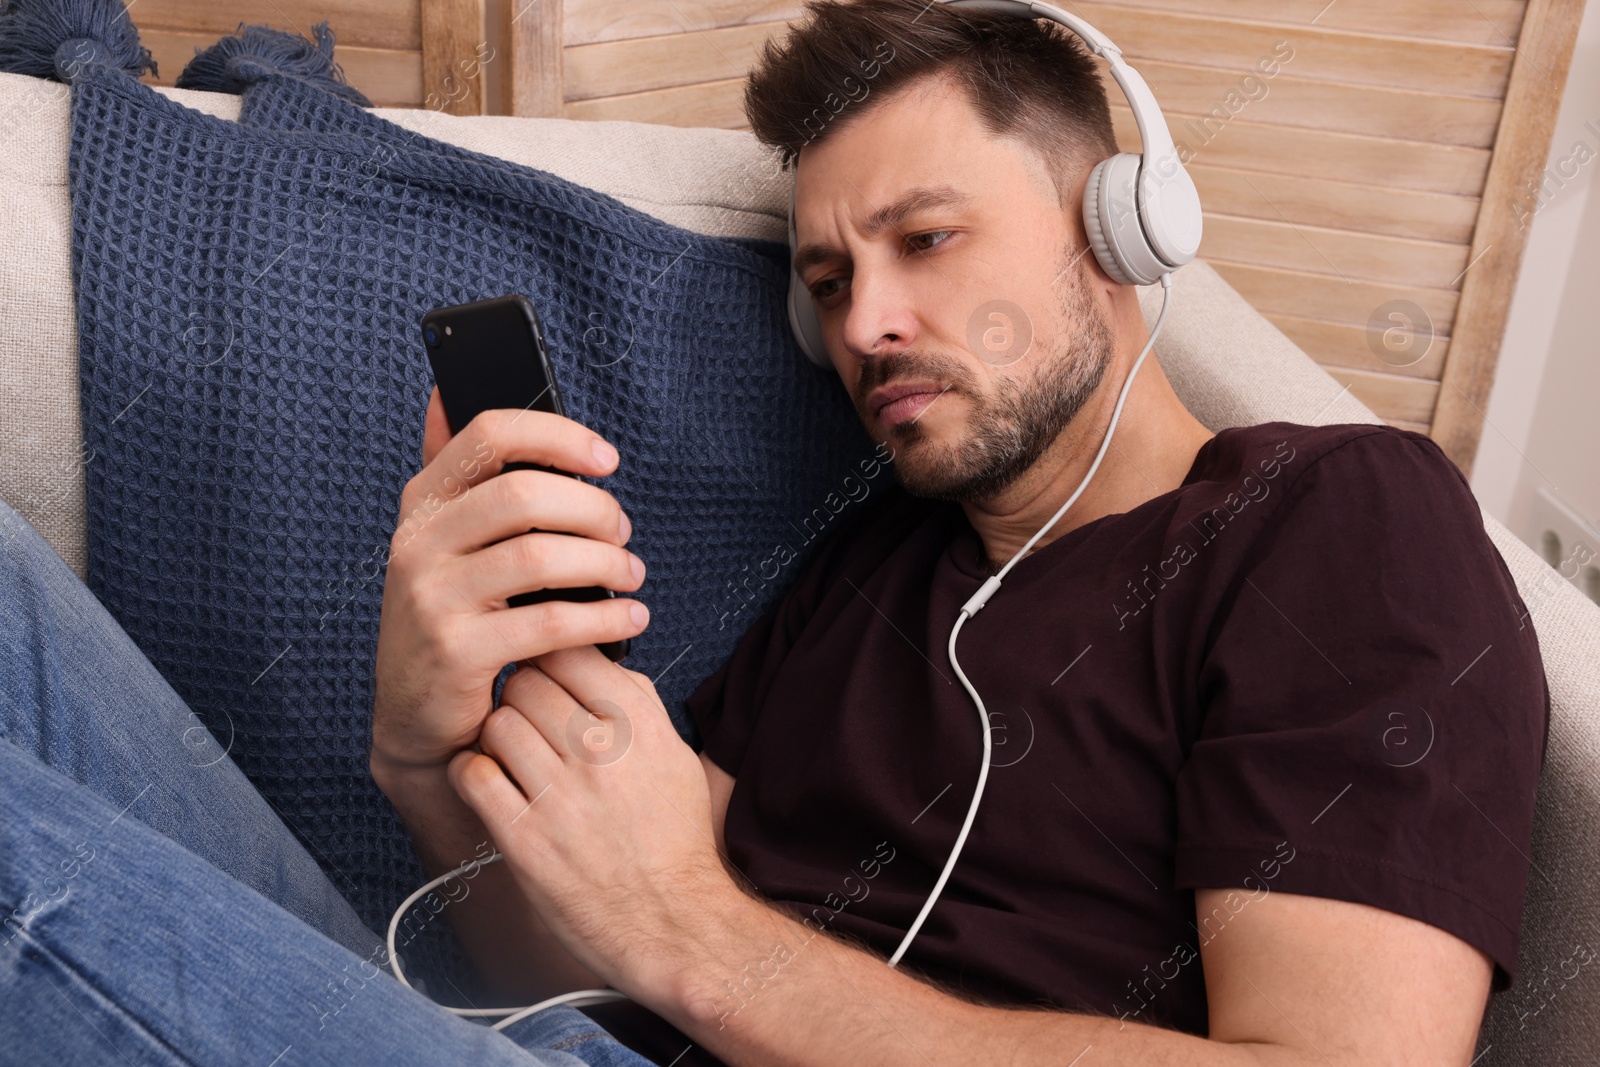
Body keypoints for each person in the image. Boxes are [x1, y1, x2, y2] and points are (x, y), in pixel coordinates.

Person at [0, 2, 1547, 1066]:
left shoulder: (1333, 519)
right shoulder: (870, 569)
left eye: (927, 239)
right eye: (826, 282)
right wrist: (422, 752)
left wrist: (708, 942)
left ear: (1122, 224)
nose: (869, 323)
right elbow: (567, 965)